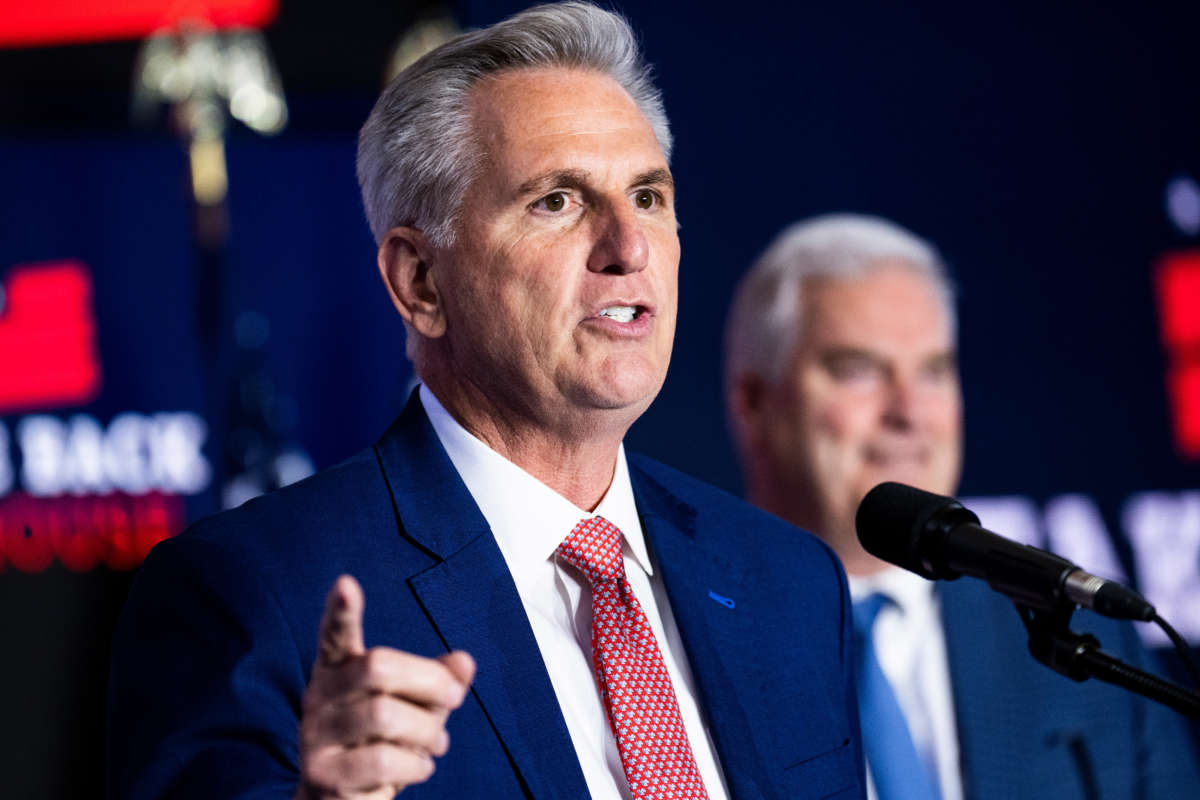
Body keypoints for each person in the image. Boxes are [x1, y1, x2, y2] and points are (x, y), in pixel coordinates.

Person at [107, 5, 864, 799]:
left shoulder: (786, 581)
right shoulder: (253, 591)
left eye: (647, 196)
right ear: (421, 283)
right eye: (557, 202)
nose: (629, 248)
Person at [724, 213, 1200, 800]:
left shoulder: (1085, 646)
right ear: (754, 404)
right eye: (859, 370)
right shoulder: (682, 647)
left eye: (933, 372)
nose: (908, 412)